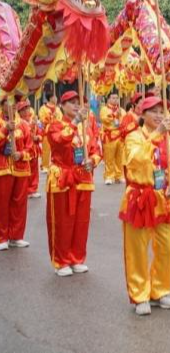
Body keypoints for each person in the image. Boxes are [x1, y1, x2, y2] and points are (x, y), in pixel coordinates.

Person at [119, 96, 170, 316]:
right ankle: (140, 295)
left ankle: (160, 290)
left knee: (167, 248)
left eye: (161, 111)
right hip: (140, 197)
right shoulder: (133, 137)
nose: (158, 115)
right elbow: (134, 160)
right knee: (137, 249)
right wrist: (156, 135)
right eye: (153, 111)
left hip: (164, 198)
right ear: (143, 114)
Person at [46, 91, 101, 275]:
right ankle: (61, 261)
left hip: (83, 177)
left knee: (81, 221)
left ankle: (77, 257)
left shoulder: (86, 128)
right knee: (62, 221)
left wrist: (91, 161)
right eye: (72, 102)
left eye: (79, 102)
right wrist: (75, 122)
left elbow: (96, 150)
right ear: (62, 105)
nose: (76, 105)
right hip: (62, 177)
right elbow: (59, 141)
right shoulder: (54, 125)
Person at [0, 97, 34, 251]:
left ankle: (16, 236)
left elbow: (31, 149)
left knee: (19, 204)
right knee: (2, 203)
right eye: (8, 103)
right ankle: (2, 237)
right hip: (3, 169)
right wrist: (6, 129)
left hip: (21, 169)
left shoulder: (24, 125)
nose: (12, 106)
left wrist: (21, 154)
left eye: (14, 104)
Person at [17, 99, 43, 198]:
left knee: (34, 170)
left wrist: (38, 137)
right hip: (26, 150)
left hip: (34, 149)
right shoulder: (20, 123)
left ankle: (33, 189)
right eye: (23, 109)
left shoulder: (34, 121)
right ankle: (26, 190)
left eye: (27, 108)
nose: (26, 111)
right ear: (19, 112)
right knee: (26, 171)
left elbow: (40, 133)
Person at [100, 93, 125, 185]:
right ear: (109, 99)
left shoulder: (121, 109)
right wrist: (114, 115)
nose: (115, 100)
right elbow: (104, 119)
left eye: (116, 98)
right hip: (109, 136)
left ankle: (119, 176)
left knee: (119, 157)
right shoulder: (104, 109)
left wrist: (120, 116)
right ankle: (109, 176)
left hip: (119, 135)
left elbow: (124, 120)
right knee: (109, 157)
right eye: (113, 98)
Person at [38, 94, 62, 173]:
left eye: (56, 96)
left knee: (56, 148)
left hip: (56, 131)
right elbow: (42, 118)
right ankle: (45, 165)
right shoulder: (43, 108)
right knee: (46, 149)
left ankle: (55, 163)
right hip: (47, 131)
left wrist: (56, 117)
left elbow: (60, 119)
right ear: (50, 97)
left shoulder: (57, 109)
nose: (56, 98)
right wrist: (51, 117)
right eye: (54, 96)